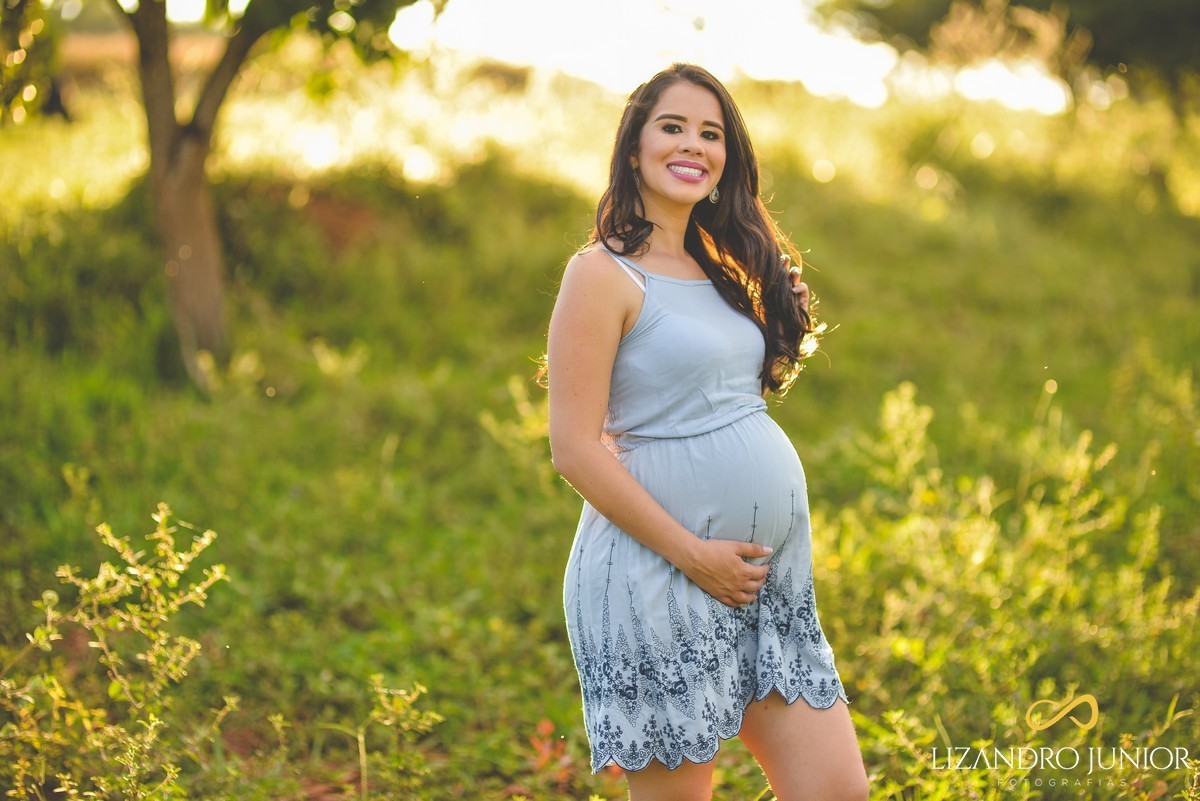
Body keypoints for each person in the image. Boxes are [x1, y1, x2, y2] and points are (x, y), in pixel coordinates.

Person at [544, 63, 869, 801]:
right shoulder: (601, 274)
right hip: (658, 576)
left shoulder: (722, 266)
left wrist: (779, 323)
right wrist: (694, 556)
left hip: (766, 589)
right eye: (673, 126)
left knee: (837, 791)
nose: (693, 144)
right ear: (634, 148)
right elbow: (573, 447)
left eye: (711, 132)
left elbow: (713, 401)